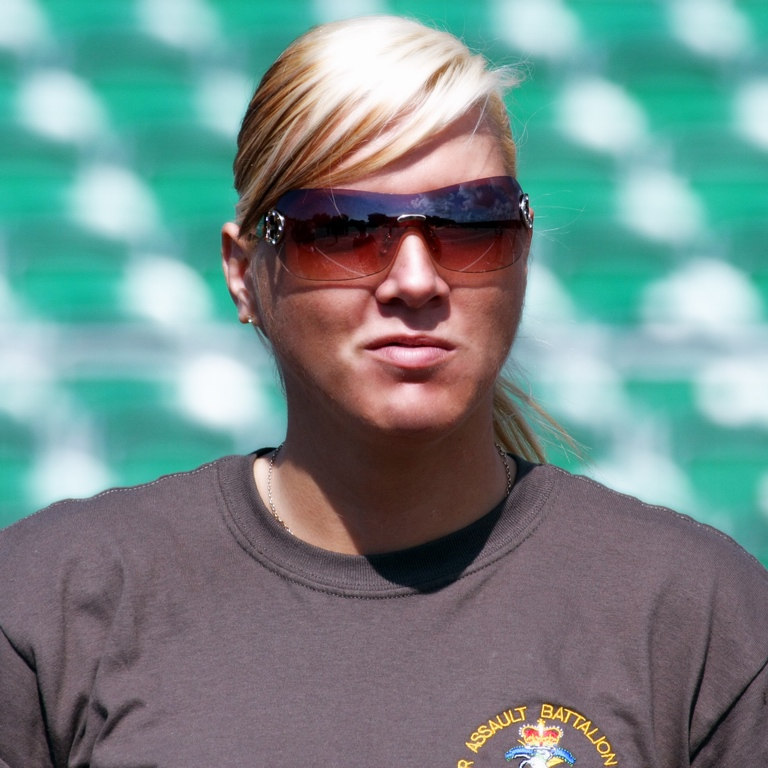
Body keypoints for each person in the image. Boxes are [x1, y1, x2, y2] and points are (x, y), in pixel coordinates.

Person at [1, 15, 767, 768]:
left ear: (524, 252)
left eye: (472, 223)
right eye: (343, 228)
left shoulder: (697, 615)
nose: (415, 280)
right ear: (245, 274)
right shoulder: (50, 601)